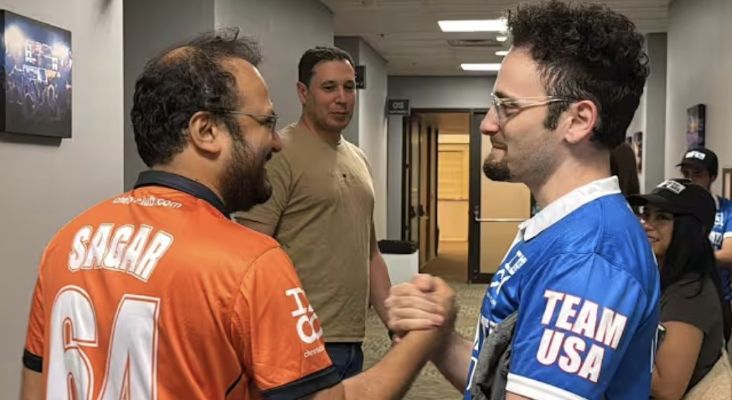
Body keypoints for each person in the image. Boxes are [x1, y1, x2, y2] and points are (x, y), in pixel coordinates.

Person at [19, 30, 455, 399]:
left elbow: (34, 387)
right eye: (264, 123)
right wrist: (425, 338)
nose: (276, 142)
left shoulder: (67, 242)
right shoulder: (248, 262)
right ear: (206, 130)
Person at [386, 1, 660, 399]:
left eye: (508, 107)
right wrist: (441, 339)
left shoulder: (588, 257)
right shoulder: (565, 230)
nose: (488, 123)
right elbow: (502, 383)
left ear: (578, 120)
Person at [234, 46, 392, 379]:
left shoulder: (359, 158)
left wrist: (395, 325)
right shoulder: (279, 155)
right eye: (329, 87)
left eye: (349, 87)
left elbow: (370, 253)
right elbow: (248, 253)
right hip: (299, 340)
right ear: (303, 92)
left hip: (351, 341)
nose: (342, 98)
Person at [628, 178, 731, 398]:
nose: (646, 224)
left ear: (690, 229)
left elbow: (667, 389)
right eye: (646, 214)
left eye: (662, 217)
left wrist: (608, 351)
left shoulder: (690, 293)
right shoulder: (660, 278)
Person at [678, 147, 732, 301]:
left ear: (712, 177)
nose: (690, 180)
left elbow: (729, 254)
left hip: (718, 296)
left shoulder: (727, 210)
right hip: (679, 294)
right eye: (686, 174)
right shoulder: (673, 209)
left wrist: (690, 258)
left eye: (697, 174)